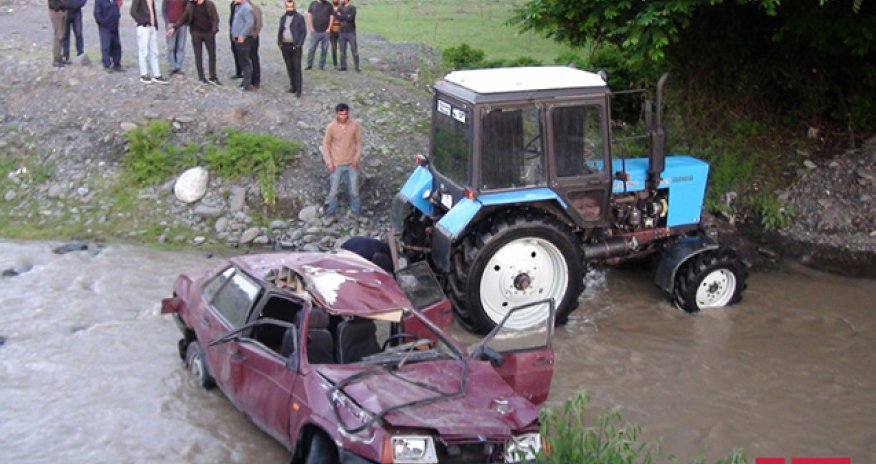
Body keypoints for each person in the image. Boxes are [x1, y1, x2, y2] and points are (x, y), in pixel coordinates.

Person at [322, 103, 362, 216]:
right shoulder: (331, 127)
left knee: (354, 191)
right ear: (337, 114)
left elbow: (358, 143)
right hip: (336, 164)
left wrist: (356, 158)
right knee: (333, 191)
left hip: (351, 164)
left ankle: (356, 212)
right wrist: (329, 162)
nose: (343, 117)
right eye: (341, 114)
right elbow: (326, 145)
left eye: (345, 114)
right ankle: (330, 213)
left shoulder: (354, 126)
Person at [166, 0, 220, 84]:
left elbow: (215, 18)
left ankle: (212, 76)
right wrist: (174, 28)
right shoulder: (190, 5)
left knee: (212, 55)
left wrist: (213, 31)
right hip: (196, 34)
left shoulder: (209, 4)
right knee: (198, 55)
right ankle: (201, 77)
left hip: (208, 33)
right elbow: (184, 17)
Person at [130, 0, 168, 83]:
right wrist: (143, 22)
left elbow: (152, 10)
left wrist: (155, 24)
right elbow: (133, 12)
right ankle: (144, 74)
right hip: (144, 27)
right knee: (143, 51)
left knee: (154, 52)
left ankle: (157, 75)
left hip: (152, 27)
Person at [277, 0, 306, 96]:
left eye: (291, 6)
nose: (289, 8)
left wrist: (299, 44)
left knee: (296, 67)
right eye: (288, 6)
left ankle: (299, 89)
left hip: (295, 46)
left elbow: (303, 32)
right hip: (285, 45)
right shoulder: (283, 18)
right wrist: (279, 42)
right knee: (289, 67)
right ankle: (293, 86)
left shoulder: (299, 18)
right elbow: (280, 30)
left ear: (294, 7)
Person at [230, 0, 254, 91]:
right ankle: (244, 82)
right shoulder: (238, 7)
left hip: (244, 40)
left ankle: (247, 84)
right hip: (237, 39)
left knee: (245, 61)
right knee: (241, 60)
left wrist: (242, 35)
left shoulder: (247, 8)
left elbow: (250, 23)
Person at [93, 0, 123, 71]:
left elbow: (116, 10)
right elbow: (97, 14)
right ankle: (107, 64)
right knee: (106, 46)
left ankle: (117, 64)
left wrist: (118, 17)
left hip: (114, 26)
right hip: (105, 27)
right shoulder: (99, 1)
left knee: (116, 45)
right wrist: (103, 22)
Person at [304, 0, 332, 71]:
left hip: (325, 32)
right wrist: (311, 27)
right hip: (315, 32)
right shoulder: (313, 4)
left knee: (324, 50)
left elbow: (331, 17)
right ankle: (309, 65)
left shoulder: (329, 5)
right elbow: (309, 15)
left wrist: (329, 28)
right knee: (311, 49)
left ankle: (321, 66)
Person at [162, 0, 187, 75]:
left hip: (182, 24)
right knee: (171, 47)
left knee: (181, 46)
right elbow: (164, 10)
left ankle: (178, 67)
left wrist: (185, 21)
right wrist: (167, 22)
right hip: (171, 24)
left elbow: (186, 10)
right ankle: (172, 67)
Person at [334, 0, 358, 72]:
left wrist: (341, 15)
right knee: (342, 50)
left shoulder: (352, 8)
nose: (340, 0)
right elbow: (336, 17)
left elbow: (350, 18)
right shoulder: (339, 8)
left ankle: (357, 67)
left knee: (354, 49)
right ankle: (343, 66)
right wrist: (345, 16)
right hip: (341, 32)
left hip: (351, 32)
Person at [48, 0, 68, 67]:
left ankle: (59, 56)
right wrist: (59, 6)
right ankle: (56, 58)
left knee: (62, 34)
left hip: (62, 10)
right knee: (58, 35)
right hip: (56, 11)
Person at [249, 0, 262, 88]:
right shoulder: (239, 7)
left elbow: (259, 24)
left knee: (254, 57)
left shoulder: (255, 9)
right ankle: (248, 77)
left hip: (252, 37)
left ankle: (256, 79)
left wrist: (254, 35)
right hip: (244, 38)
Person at [228, 0, 242, 79]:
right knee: (235, 51)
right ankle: (238, 71)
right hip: (233, 30)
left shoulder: (243, 5)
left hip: (240, 32)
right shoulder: (233, 4)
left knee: (243, 53)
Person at [328, 0, 339, 69]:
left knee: (342, 47)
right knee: (334, 47)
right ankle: (335, 63)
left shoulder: (342, 7)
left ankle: (343, 63)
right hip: (332, 31)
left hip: (341, 30)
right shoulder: (329, 8)